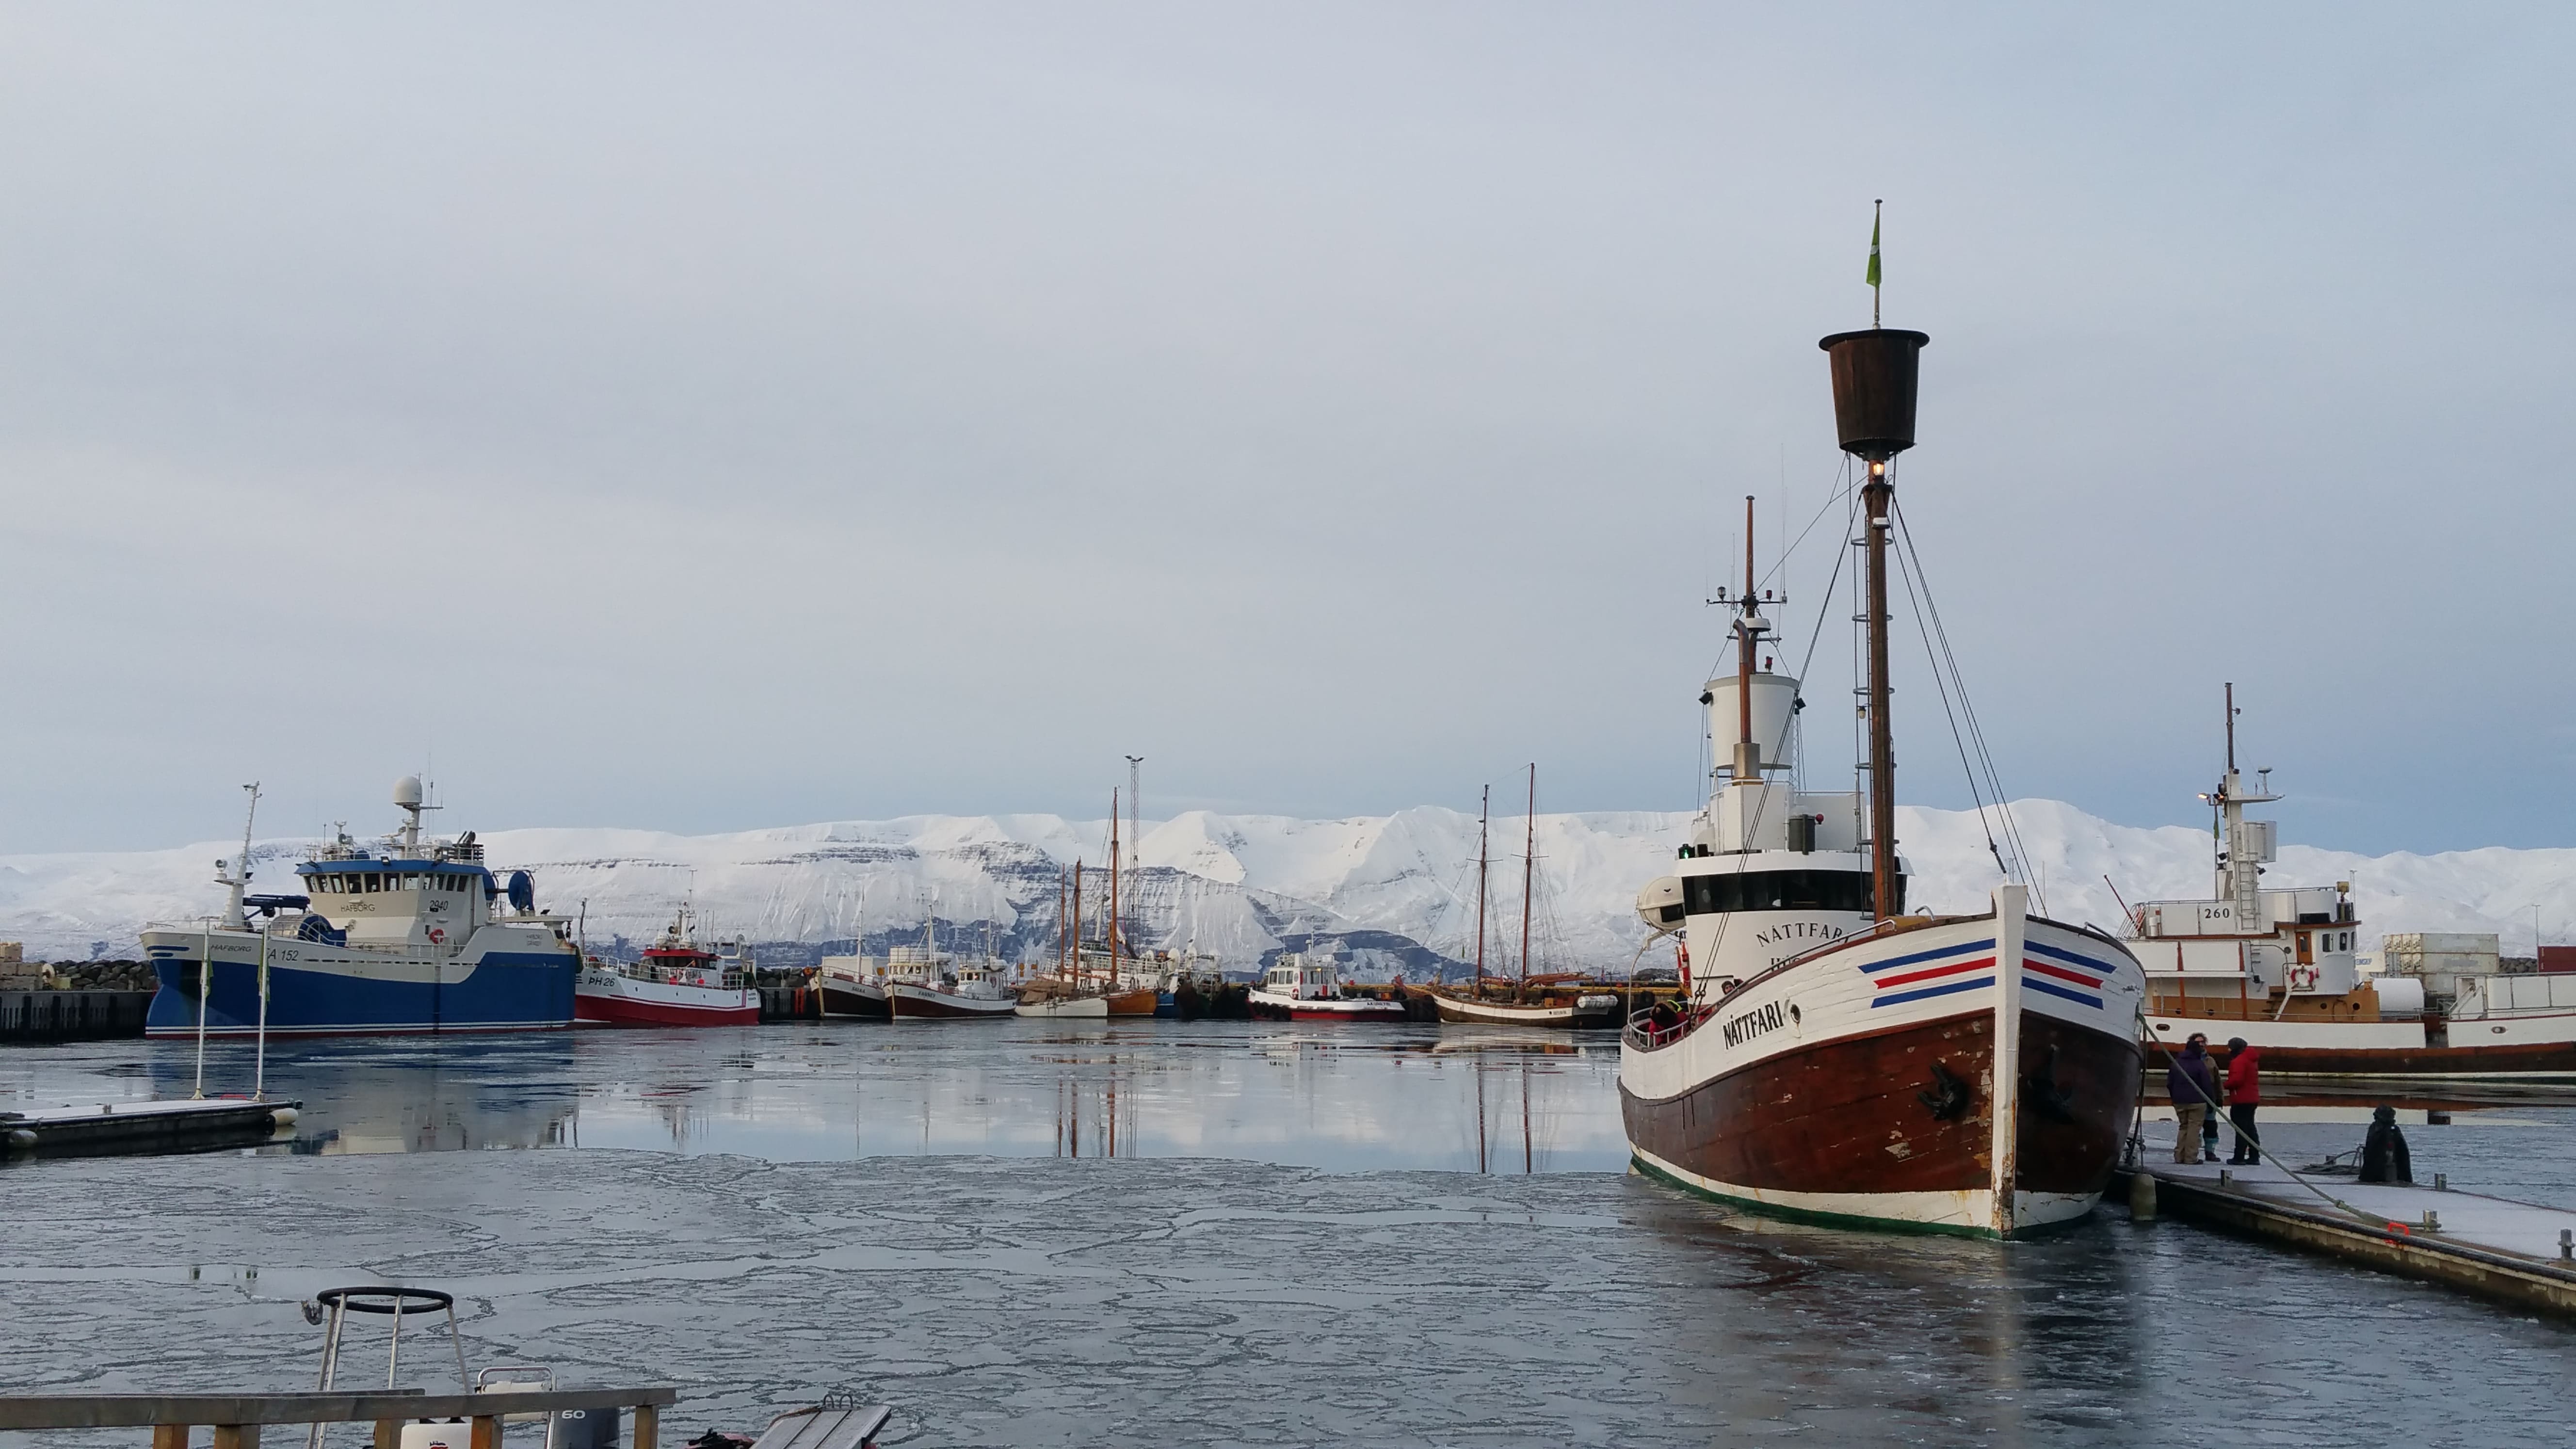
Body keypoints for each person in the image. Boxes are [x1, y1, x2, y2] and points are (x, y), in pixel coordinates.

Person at [2166, 1033, 2217, 1164]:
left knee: (2183, 1127)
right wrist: (2212, 1101)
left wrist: (2174, 1097)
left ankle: (2179, 1156)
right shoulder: (2199, 1064)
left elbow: (2170, 1083)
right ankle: (2191, 1157)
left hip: (2179, 1101)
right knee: (2194, 1129)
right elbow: (2206, 1084)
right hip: (2197, 1102)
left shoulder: (2176, 1063)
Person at [2224, 1036, 2262, 1165]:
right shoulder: (2251, 1060)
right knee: (2250, 1127)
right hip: (2252, 1098)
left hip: (2241, 1099)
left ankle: (2239, 1156)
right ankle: (2254, 1156)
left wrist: (2225, 1085)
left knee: (2240, 1128)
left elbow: (2237, 1080)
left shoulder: (2238, 1061)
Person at [2360, 1104, 2413, 1184]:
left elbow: (2402, 1157)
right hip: (2374, 1172)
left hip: (2387, 1172)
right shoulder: (2375, 1128)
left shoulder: (2391, 1131)